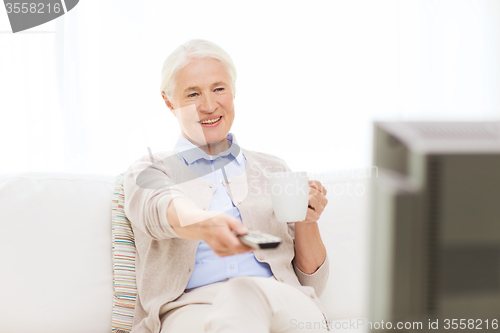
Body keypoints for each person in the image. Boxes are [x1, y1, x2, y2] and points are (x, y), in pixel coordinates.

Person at [124, 39, 330, 333]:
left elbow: (312, 283)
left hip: (281, 299)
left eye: (219, 89)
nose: (209, 105)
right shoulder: (151, 169)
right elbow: (159, 208)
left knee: (244, 294)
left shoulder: (273, 169)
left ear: (233, 91)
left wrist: (308, 221)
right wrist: (204, 224)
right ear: (169, 102)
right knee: (237, 301)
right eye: (193, 93)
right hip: (190, 309)